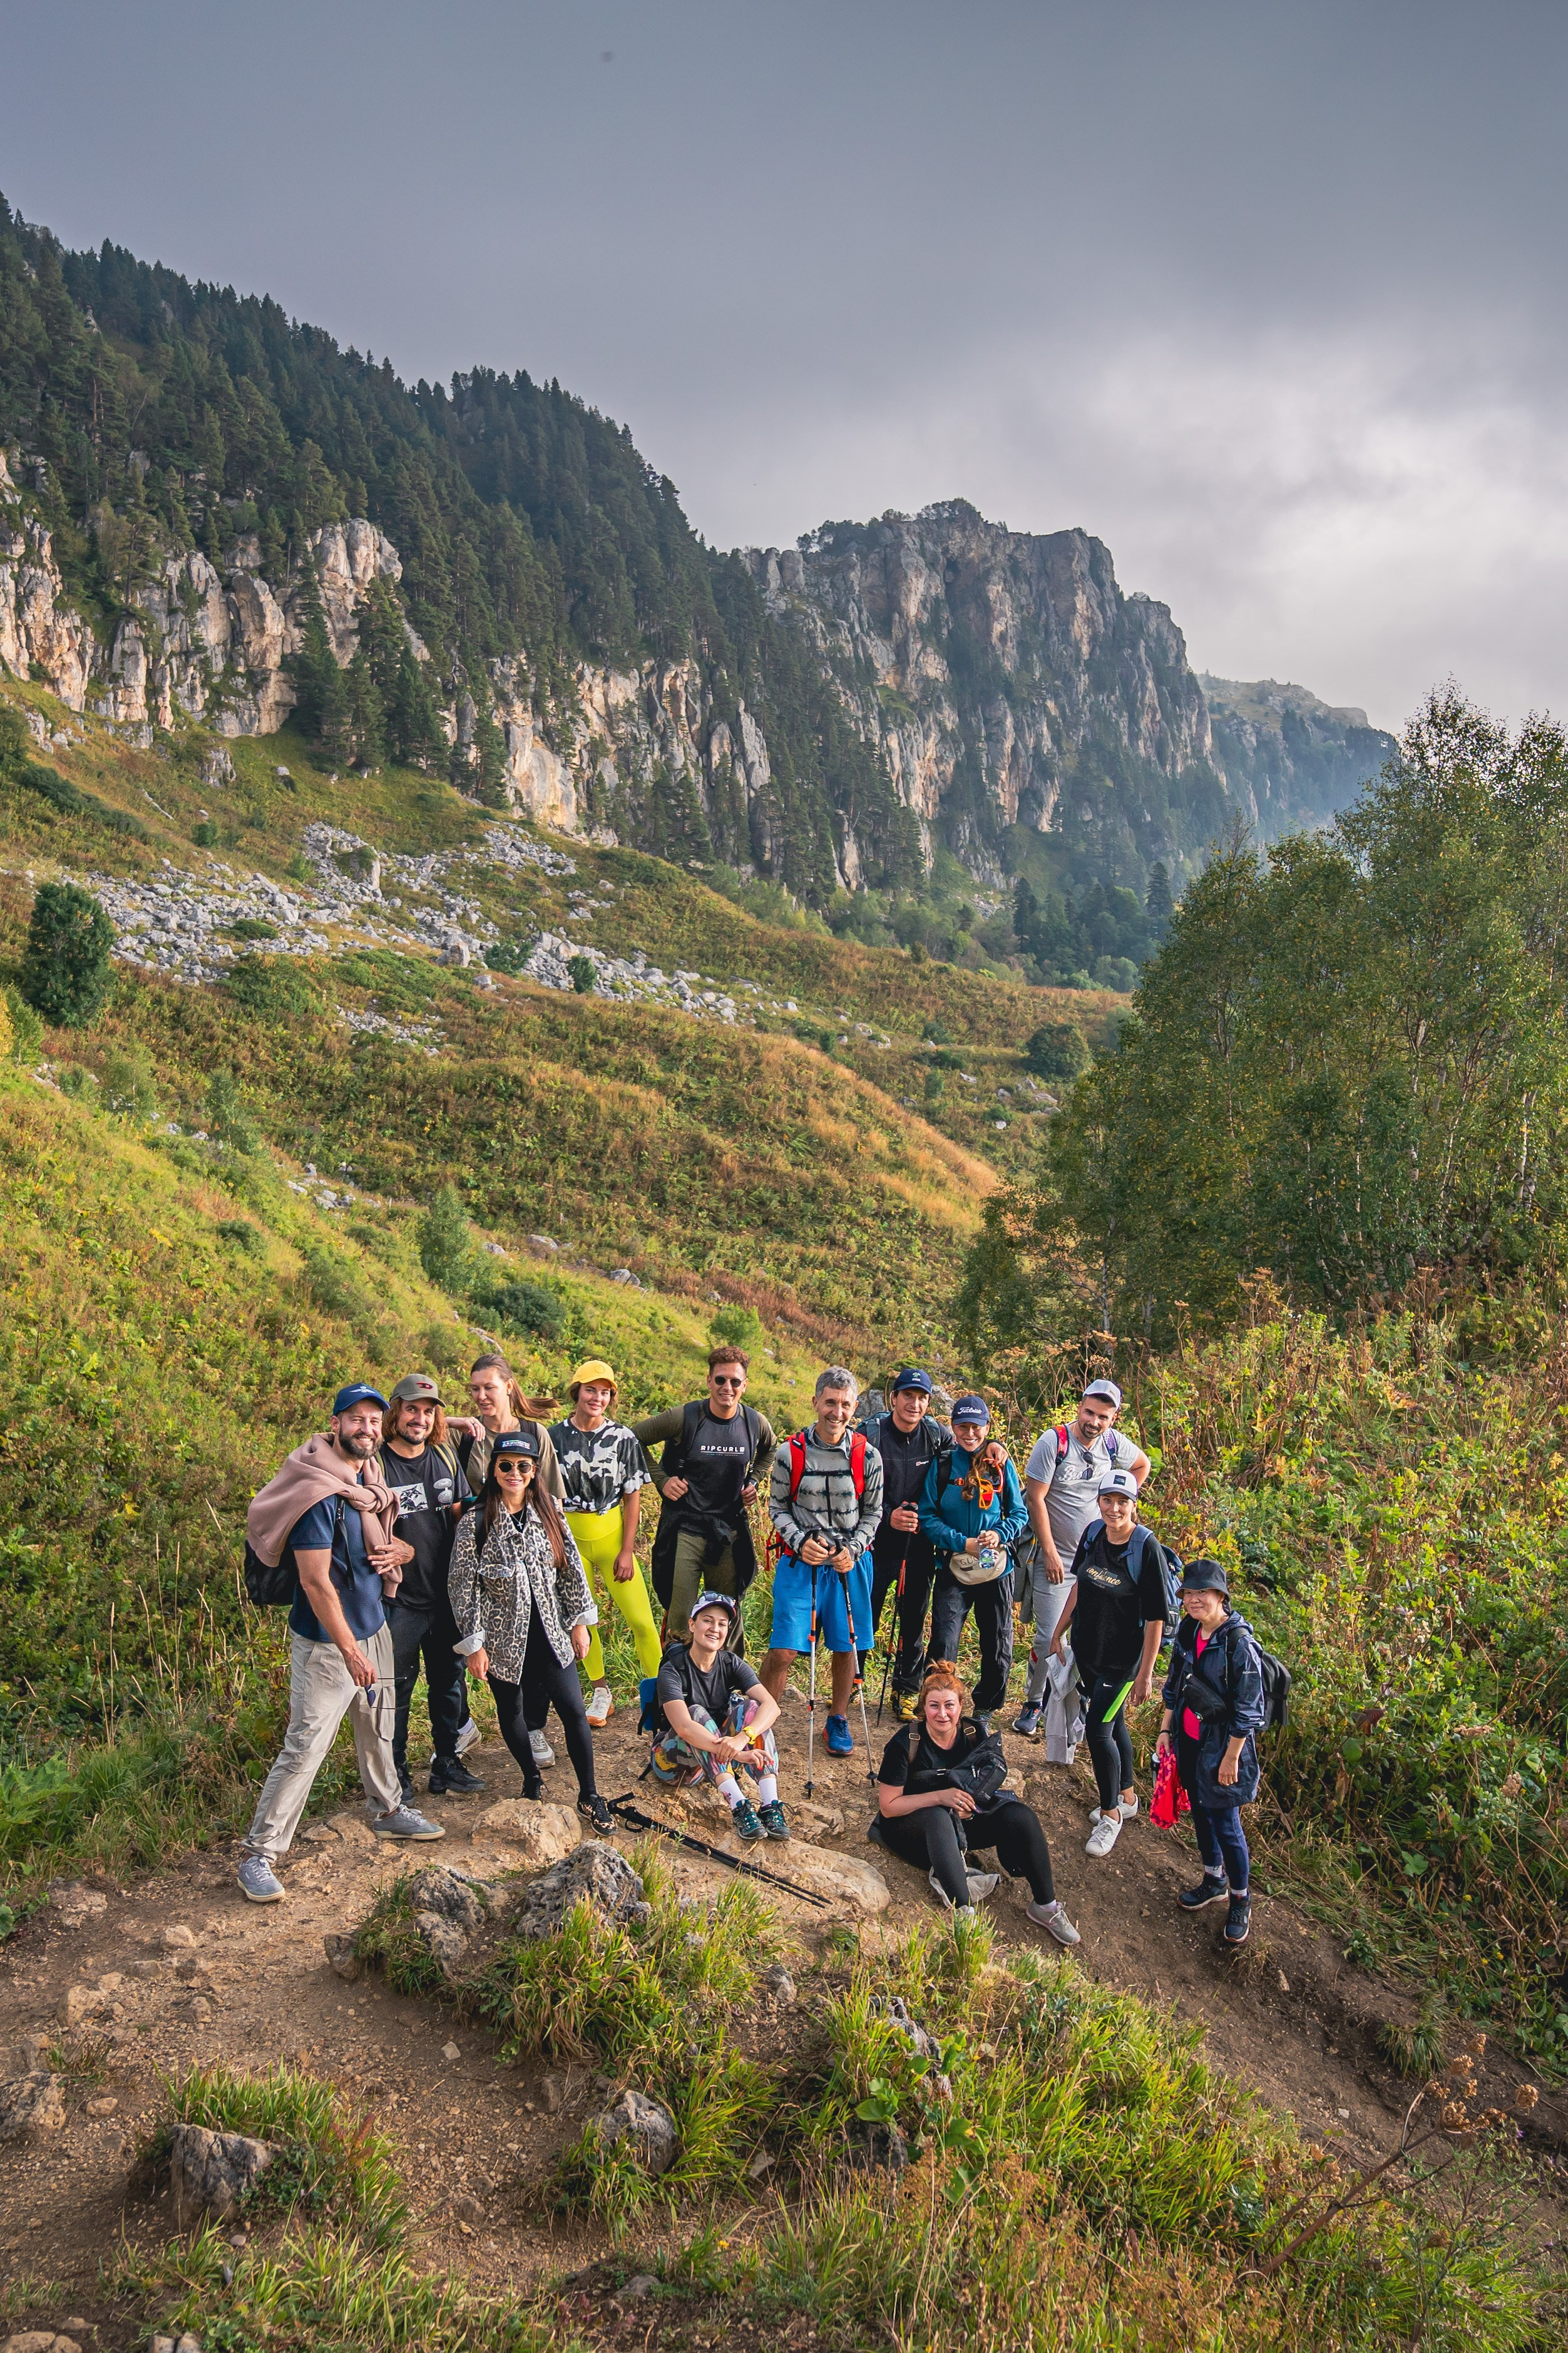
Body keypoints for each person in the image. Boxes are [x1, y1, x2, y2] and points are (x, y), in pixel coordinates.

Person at [237, 1384, 445, 1902]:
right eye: (356, 1420)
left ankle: (387, 1810)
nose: (367, 1430)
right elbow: (315, 1582)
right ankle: (259, 1853)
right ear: (335, 1425)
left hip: (374, 1627)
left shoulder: (367, 1484)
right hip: (330, 1646)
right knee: (306, 1744)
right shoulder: (317, 1496)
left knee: (379, 1726)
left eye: (375, 1421)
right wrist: (350, 1650)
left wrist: (398, 1551)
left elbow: (385, 1546)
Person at [448, 1428, 614, 1832]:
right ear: (494, 1468)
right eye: (506, 1465)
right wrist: (475, 1644)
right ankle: (531, 1778)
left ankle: (589, 1793)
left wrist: (580, 1623)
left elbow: (572, 1570)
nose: (514, 1473)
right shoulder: (475, 1522)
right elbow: (462, 1583)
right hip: (503, 1639)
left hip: (552, 1633)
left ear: (535, 1471)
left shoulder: (551, 1515)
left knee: (574, 1710)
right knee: (513, 1711)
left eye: (524, 1466)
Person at [873, 1661, 1079, 1943]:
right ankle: (963, 1912)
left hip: (960, 1822)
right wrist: (940, 1797)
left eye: (949, 1706)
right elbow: (889, 1806)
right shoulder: (905, 1742)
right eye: (934, 1706)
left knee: (1021, 1816)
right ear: (923, 1708)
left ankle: (1046, 1906)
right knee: (937, 1817)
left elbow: (985, 1785)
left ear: (961, 1707)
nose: (942, 1714)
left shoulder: (973, 1734)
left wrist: (972, 1807)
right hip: (910, 1828)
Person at [1015, 1378, 1150, 1741]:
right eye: (1089, 1412)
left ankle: (1073, 1702)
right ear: (1080, 1407)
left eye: (1103, 1416)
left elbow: (1142, 1464)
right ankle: (1034, 1702)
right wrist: (1048, 1552)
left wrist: (1120, 1501)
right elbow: (1035, 1498)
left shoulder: (1112, 1444)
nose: (1094, 1421)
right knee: (1048, 1637)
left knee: (1090, 1636)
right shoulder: (1054, 1442)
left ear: (1113, 1418)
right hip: (1056, 1556)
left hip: (1097, 1561)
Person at [450, 1351, 565, 1771]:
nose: (481, 1396)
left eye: (489, 1388)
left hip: (532, 1558)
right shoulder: (467, 1437)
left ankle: (533, 1727)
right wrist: (456, 1423)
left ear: (509, 1387)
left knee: (537, 1646)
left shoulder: (536, 1434)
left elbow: (554, 1499)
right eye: (475, 1389)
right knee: (473, 1646)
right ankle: (462, 1726)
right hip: (482, 1560)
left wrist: (558, 1560)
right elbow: (405, 1423)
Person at [760, 1367, 883, 1756]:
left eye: (846, 1404)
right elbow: (777, 1506)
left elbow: (874, 1513)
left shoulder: (868, 1456)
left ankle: (838, 1718)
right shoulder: (790, 1453)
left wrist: (855, 1549)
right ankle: (760, 1721)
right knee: (784, 1650)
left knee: (847, 1646)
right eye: (830, 1402)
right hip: (800, 1564)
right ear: (815, 1402)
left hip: (850, 1564)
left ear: (855, 1407)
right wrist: (798, 1542)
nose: (837, 1411)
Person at [1049, 1467, 1167, 1856]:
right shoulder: (1094, 1534)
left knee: (1099, 1732)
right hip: (1090, 1653)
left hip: (1122, 1664)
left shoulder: (1145, 1548)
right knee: (1113, 1726)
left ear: (1135, 1505)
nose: (1114, 1509)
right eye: (1108, 1500)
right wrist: (1059, 1630)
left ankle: (1111, 1813)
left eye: (1123, 1502)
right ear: (1098, 1502)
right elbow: (1080, 1583)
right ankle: (1129, 1796)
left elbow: (1155, 1618)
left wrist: (1144, 1674)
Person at [376, 1373, 479, 1802]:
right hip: (399, 1600)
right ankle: (395, 1776)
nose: (420, 1417)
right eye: (411, 1408)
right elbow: (362, 1526)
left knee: (449, 1684)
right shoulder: (375, 1463)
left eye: (429, 1409)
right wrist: (393, 1545)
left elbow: (458, 1511)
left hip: (446, 1595)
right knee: (396, 1690)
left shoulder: (444, 1457)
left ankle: (447, 1764)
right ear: (395, 1411)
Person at [1154, 1559, 1265, 1947]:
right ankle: (1213, 1879)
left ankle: (1240, 1899)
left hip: (1223, 1749)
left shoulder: (1239, 1645)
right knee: (1201, 1813)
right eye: (1189, 1593)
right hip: (1189, 1743)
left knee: (1227, 1825)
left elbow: (1251, 1709)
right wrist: (1166, 1729)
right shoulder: (1188, 1631)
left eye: (1203, 1593)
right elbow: (1174, 1684)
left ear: (1221, 1597)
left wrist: (1232, 1757)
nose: (1195, 1600)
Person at [635, 1347, 777, 1643]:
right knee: (680, 1620)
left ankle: (727, 1684)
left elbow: (770, 1449)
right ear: (709, 1381)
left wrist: (754, 1480)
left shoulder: (754, 1423)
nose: (728, 1388)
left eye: (735, 1382)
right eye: (721, 1380)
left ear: (745, 1385)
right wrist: (662, 1480)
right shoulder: (685, 1417)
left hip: (728, 1531)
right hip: (686, 1528)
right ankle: (675, 1686)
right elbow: (632, 1438)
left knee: (725, 1616)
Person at [549, 1359, 660, 1726]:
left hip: (611, 1534)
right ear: (577, 1392)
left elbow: (633, 1497)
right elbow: (546, 1494)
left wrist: (627, 1550)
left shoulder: (623, 1438)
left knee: (641, 1620)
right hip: (569, 1536)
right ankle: (600, 1692)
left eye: (605, 1392)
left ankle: (661, 1692)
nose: (598, 1398)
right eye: (590, 1390)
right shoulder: (553, 1438)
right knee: (582, 1618)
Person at [921, 1396, 1027, 1729]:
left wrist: (999, 1533)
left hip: (996, 1565)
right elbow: (928, 1517)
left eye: (976, 1427)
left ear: (987, 1428)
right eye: (963, 1427)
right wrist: (960, 1541)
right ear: (953, 1427)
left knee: (997, 1639)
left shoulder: (999, 1463)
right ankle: (940, 1705)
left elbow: (1019, 1512)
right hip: (953, 1565)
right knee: (944, 1638)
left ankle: (986, 1705)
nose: (970, 1434)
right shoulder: (942, 1465)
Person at [651, 1590, 790, 1842]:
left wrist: (743, 1737)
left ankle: (770, 1805)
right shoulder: (673, 1669)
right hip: (674, 1764)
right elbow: (683, 1728)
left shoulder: (730, 1663)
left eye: (722, 1624)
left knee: (753, 1709)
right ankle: (739, 1807)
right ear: (692, 1625)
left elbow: (772, 1706)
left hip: (718, 1759)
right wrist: (737, 1753)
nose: (715, 1628)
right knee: (696, 1714)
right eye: (708, 1620)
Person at [862, 1369, 950, 1721]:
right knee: (866, 1610)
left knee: (914, 1616)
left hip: (919, 1542)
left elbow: (966, 1456)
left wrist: (995, 1446)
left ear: (928, 1402)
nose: (915, 1404)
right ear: (893, 1398)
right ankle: (852, 1679)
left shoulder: (937, 1435)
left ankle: (907, 1690)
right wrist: (887, 1515)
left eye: (922, 1397)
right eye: (908, 1396)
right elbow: (852, 1488)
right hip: (875, 1540)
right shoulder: (870, 1434)